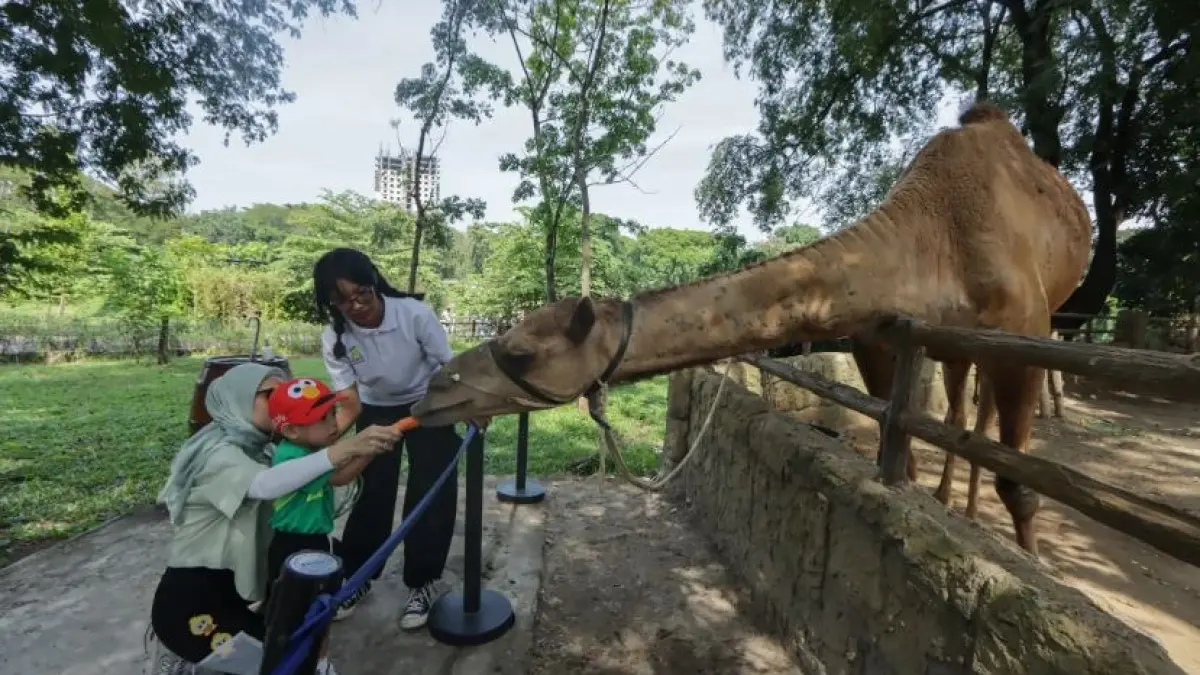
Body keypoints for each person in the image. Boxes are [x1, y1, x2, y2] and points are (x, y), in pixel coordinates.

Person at [146, 362, 399, 675]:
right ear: (240, 399)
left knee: (285, 650)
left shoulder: (265, 451)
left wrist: (360, 444)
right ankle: (177, 654)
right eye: (271, 393)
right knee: (274, 663)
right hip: (192, 602)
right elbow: (265, 485)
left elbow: (316, 469)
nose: (281, 399)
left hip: (232, 597)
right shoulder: (218, 454)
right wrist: (342, 449)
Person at [313, 247, 487, 629]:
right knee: (371, 492)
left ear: (374, 283)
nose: (355, 306)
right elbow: (351, 402)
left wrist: (471, 407)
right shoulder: (335, 338)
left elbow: (448, 367)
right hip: (375, 410)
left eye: (361, 294)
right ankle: (358, 576)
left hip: (429, 403)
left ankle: (423, 582)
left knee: (430, 493)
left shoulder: (414, 315)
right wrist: (326, 441)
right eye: (341, 300)